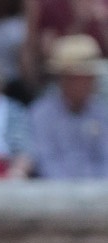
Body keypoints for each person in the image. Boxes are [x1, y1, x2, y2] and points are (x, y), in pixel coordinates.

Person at [29, 33, 108, 178]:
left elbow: (105, 158)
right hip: (55, 195)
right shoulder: (41, 114)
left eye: (92, 77)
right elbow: (46, 162)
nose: (91, 82)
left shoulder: (102, 113)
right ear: (65, 79)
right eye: (84, 77)